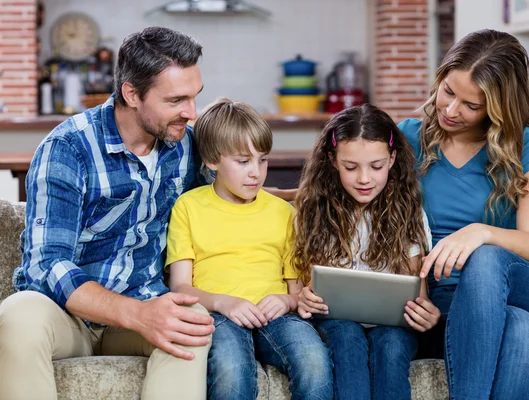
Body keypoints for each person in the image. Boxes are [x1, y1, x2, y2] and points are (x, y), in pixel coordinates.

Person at [0, 27, 215, 400]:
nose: (191, 113)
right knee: (18, 315)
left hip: (143, 304)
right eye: (177, 99)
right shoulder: (68, 148)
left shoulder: (184, 145)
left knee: (190, 321)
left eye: (195, 97)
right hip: (67, 317)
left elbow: (232, 199)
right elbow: (46, 265)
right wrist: (135, 313)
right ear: (132, 93)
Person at [399, 29, 529, 399]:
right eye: (449, 91)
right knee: (522, 329)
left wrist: (481, 232)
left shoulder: (526, 144)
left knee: (487, 257)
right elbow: (350, 191)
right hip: (446, 303)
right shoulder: (408, 138)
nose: (450, 110)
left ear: (498, 106)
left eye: (471, 105)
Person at [166, 98, 334, 400]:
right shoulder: (188, 207)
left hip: (277, 316)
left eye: (263, 160)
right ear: (212, 160)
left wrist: (286, 301)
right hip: (217, 313)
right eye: (243, 162)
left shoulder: (282, 212)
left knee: (314, 360)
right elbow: (180, 286)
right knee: (232, 370)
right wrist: (224, 303)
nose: (256, 172)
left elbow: (297, 290)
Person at [292, 103, 441, 400]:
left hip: (392, 326)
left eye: (376, 166)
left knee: (391, 344)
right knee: (346, 337)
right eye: (351, 167)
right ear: (333, 161)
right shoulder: (316, 210)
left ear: (392, 159)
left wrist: (428, 314)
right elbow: (313, 283)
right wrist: (304, 298)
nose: (364, 179)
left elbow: (417, 292)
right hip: (337, 322)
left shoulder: (409, 212)